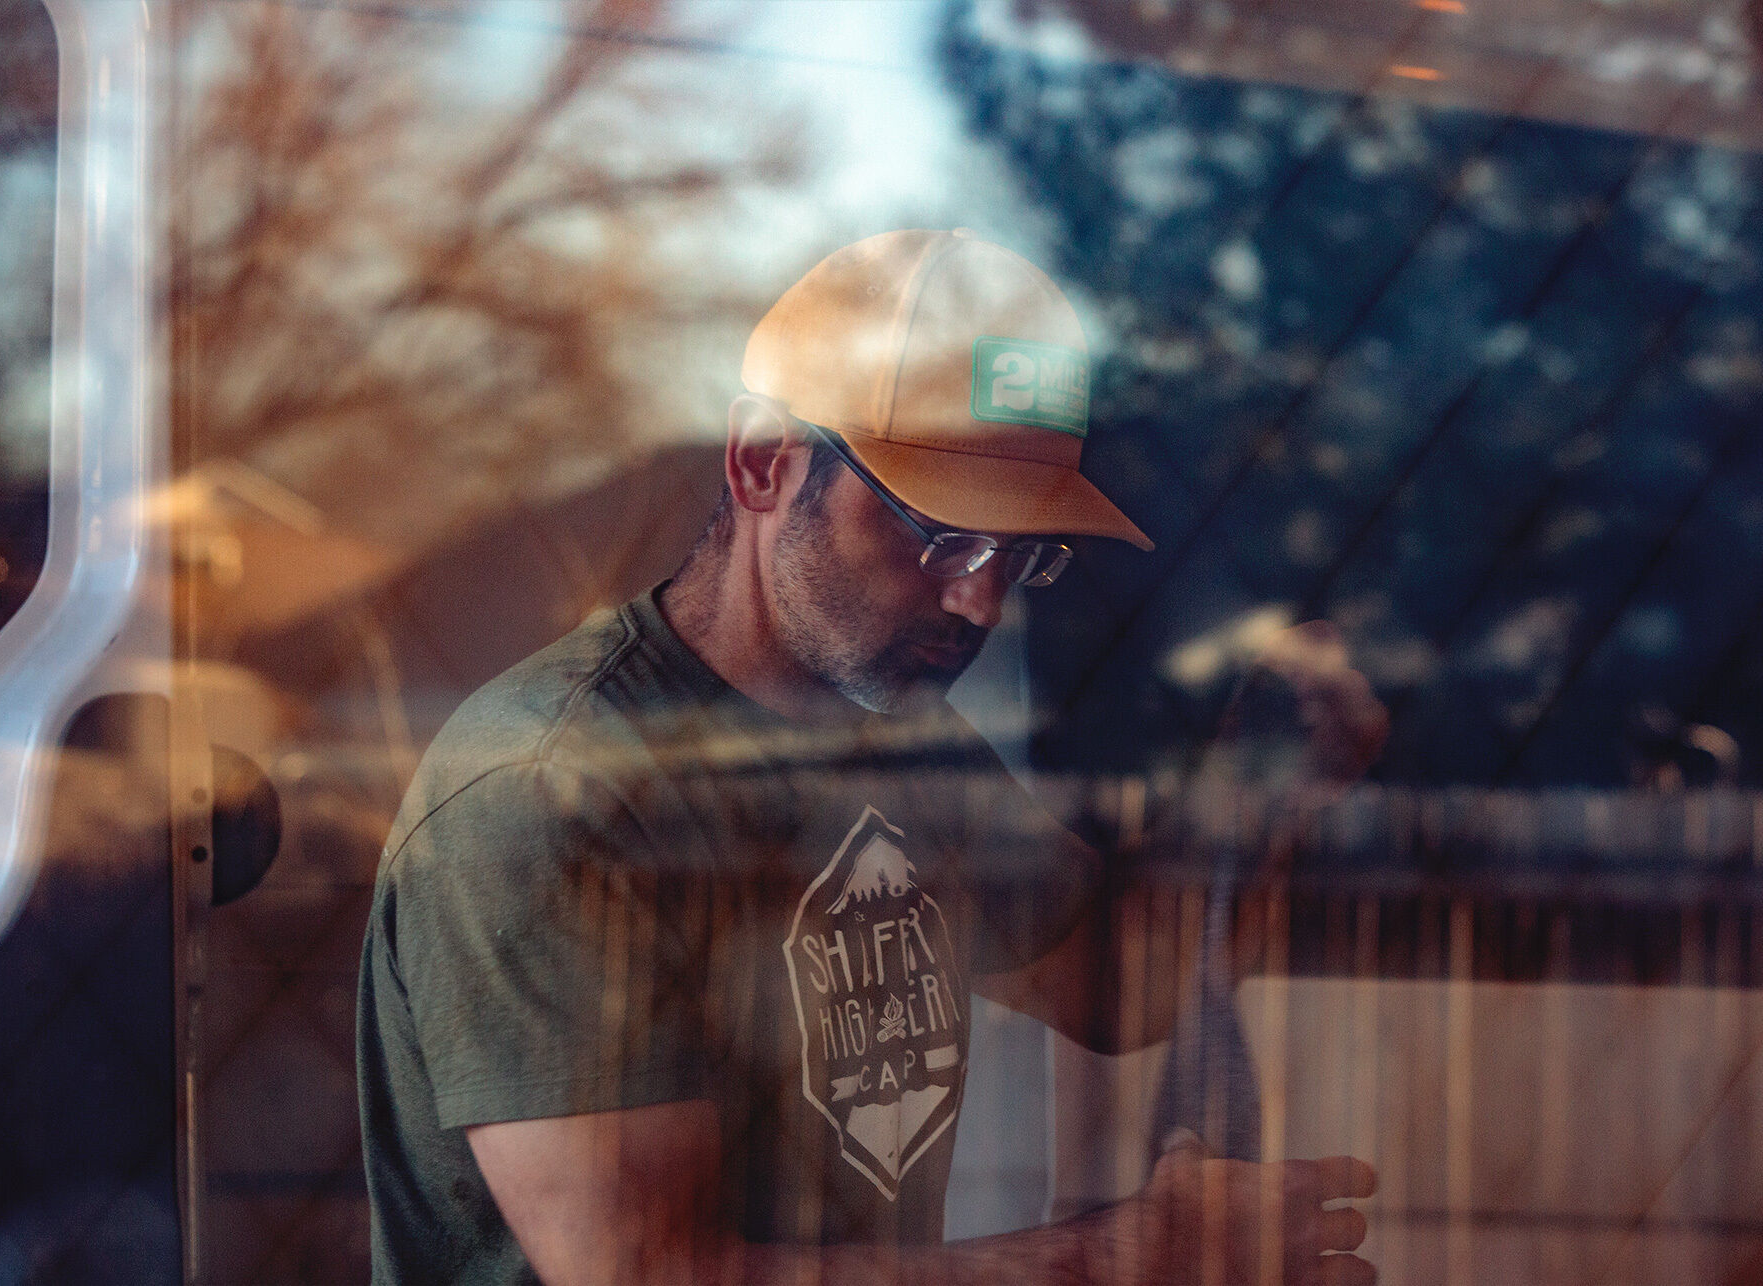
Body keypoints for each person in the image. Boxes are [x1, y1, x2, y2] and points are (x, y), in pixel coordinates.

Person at [357, 228, 1386, 1284]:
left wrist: (1272, 785)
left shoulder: (901, 742)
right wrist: (1125, 1258)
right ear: (765, 461)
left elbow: (1120, 986)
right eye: (941, 533)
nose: (979, 599)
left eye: (1019, 551)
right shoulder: (551, 788)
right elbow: (656, 1271)